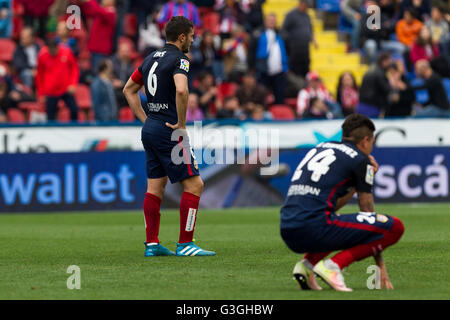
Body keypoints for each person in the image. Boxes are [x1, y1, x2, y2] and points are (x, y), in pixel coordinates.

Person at [123, 16, 215, 257]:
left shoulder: (150, 58)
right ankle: (186, 244)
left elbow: (128, 90)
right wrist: (181, 124)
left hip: (151, 128)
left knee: (155, 188)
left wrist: (145, 119)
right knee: (195, 185)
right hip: (170, 131)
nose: (193, 41)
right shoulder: (180, 60)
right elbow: (182, 89)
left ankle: (152, 244)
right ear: (182, 37)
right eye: (192, 36)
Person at [280, 114, 405, 292]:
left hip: (288, 228)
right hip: (314, 228)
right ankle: (334, 266)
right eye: (372, 143)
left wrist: (355, 186)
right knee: (395, 227)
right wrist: (380, 267)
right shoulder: (362, 160)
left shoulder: (320, 148)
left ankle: (307, 266)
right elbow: (368, 212)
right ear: (366, 140)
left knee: (335, 220)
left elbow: (330, 206)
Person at [36, 38, 79, 122]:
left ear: (57, 47)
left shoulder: (66, 53)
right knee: (50, 115)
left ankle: (74, 128)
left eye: (53, 48)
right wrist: (41, 93)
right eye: (49, 48)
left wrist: (73, 84)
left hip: (65, 88)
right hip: (51, 90)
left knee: (74, 110)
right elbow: (39, 76)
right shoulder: (43, 56)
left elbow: (74, 69)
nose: (51, 51)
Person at [255, 13, 288, 105]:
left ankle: (279, 116)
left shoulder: (281, 35)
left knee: (280, 96)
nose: (272, 22)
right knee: (262, 97)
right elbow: (252, 51)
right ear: (265, 22)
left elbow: (288, 50)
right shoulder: (258, 34)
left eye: (274, 20)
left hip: (279, 71)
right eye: (270, 20)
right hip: (263, 71)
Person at [281, 0, 317, 78]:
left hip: (305, 49)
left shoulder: (307, 16)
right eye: (305, 5)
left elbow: (310, 29)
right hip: (294, 50)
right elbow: (283, 30)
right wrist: (291, 41)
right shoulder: (291, 15)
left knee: (305, 70)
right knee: (295, 72)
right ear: (300, 4)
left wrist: (313, 40)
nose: (306, 7)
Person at [80, 0, 117, 73]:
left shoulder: (111, 12)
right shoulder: (102, 11)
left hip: (101, 50)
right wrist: (83, 3)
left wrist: (90, 1)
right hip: (94, 48)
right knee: (92, 74)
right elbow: (89, 11)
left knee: (97, 73)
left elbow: (96, 9)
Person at [356, 52, 393, 118]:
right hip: (371, 107)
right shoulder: (380, 73)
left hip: (361, 105)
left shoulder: (371, 69)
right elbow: (387, 90)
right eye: (389, 62)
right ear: (384, 62)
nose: (390, 65)